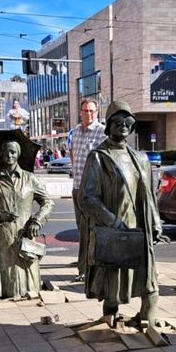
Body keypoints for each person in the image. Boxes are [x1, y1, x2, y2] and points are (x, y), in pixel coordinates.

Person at [79, 100, 168, 325]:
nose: (123, 125)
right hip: (114, 226)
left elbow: (148, 195)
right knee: (112, 274)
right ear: (108, 125)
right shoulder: (98, 157)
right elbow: (87, 197)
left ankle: (147, 316)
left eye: (127, 121)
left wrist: (156, 222)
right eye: (117, 121)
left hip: (140, 226)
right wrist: (111, 220)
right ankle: (110, 312)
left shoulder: (140, 158)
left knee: (148, 275)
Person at [0, 140, 54, 299]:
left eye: (12, 151)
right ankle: (4, 293)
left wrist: (37, 220)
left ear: (18, 154)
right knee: (4, 269)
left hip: (24, 233)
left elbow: (48, 202)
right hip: (1, 234)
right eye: (5, 152)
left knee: (26, 271)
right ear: (1, 154)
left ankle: (29, 292)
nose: (9, 155)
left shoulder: (29, 178)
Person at [70, 99, 106, 281]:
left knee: (92, 229)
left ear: (96, 112)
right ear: (80, 112)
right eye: (85, 111)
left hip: (92, 190)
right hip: (77, 187)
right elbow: (73, 152)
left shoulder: (102, 132)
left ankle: (89, 265)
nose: (88, 114)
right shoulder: (76, 131)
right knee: (80, 227)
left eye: (92, 111)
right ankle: (84, 260)